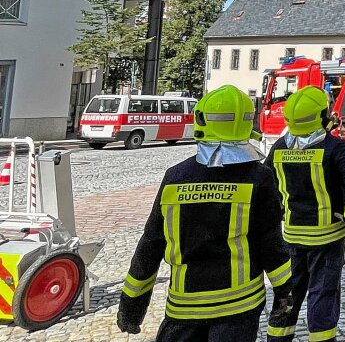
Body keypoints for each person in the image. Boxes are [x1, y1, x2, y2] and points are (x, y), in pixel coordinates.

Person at [117, 85, 293, 342]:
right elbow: (271, 245)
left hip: (183, 307)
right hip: (238, 307)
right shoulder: (259, 178)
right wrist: (285, 294)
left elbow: (151, 245)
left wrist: (131, 308)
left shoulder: (175, 177)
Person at [265, 87, 345, 342]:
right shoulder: (333, 147)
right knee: (323, 293)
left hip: (292, 237)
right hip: (327, 239)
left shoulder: (279, 147)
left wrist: (280, 211)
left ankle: (277, 337)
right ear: (322, 116)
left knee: (287, 294)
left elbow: (266, 183)